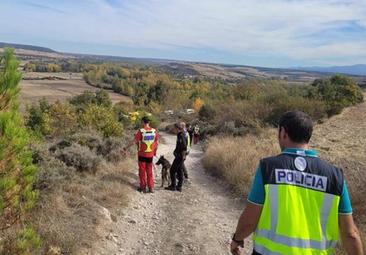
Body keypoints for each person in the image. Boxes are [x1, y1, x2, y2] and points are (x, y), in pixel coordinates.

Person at [230, 111, 363, 255]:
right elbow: (350, 234)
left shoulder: (268, 168)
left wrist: (237, 239)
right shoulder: (335, 176)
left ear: (283, 132)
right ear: (308, 136)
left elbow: (250, 219)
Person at [124, 116, 159, 193]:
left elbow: (134, 142)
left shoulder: (141, 131)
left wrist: (125, 148)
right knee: (149, 171)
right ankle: (151, 188)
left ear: (143, 122)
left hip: (142, 154)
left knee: (142, 171)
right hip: (150, 154)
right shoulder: (154, 131)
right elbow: (157, 143)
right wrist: (155, 152)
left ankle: (143, 187)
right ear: (149, 122)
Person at [165, 123, 187, 192]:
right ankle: (179, 187)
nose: (173, 129)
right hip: (179, 155)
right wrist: (175, 151)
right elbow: (179, 145)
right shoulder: (179, 135)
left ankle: (173, 186)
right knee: (179, 170)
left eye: (174, 128)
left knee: (172, 170)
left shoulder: (181, 135)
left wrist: (180, 154)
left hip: (180, 156)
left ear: (177, 128)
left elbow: (184, 146)